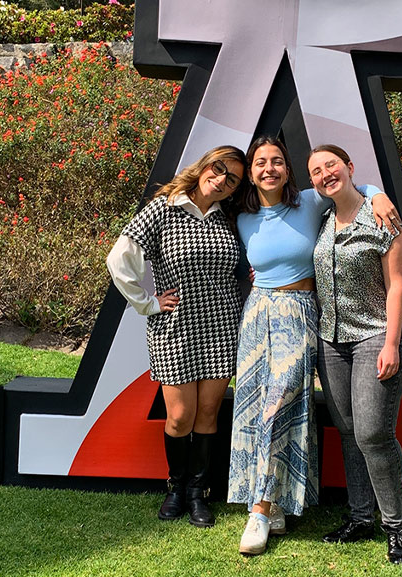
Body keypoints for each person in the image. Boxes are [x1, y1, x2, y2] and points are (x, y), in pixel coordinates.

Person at [229, 135, 402, 555]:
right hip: (256, 316)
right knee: (255, 407)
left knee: (280, 400)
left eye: (276, 162)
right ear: (251, 174)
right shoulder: (241, 218)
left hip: (300, 312)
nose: (268, 168)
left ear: (287, 170)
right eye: (259, 163)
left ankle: (259, 509)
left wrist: (378, 195)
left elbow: (349, 188)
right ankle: (278, 505)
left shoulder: (309, 201)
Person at [106, 145, 246, 528]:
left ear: (235, 189)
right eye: (218, 169)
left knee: (207, 413)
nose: (220, 180)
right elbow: (120, 258)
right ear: (204, 166)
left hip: (220, 326)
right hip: (175, 328)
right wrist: (147, 303)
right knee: (180, 416)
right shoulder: (164, 209)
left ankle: (198, 493)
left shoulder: (231, 217)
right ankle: (176, 487)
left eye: (231, 179)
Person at [307, 144, 402, 564]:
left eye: (331, 165)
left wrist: (390, 344)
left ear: (349, 168)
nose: (324, 174)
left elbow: (397, 284)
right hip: (331, 342)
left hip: (375, 338)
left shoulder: (382, 216)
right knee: (349, 431)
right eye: (316, 171)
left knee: (373, 434)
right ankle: (359, 517)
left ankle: (396, 529)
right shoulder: (321, 219)